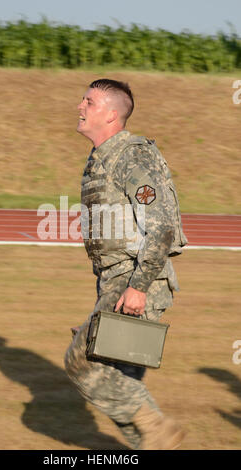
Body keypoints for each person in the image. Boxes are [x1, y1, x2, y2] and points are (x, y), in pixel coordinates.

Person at [64, 79, 188, 450]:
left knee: (82, 362)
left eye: (89, 101)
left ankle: (156, 427)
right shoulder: (103, 157)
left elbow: (162, 224)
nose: (79, 106)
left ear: (111, 114)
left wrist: (137, 287)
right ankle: (157, 443)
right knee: (120, 379)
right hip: (117, 281)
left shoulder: (130, 155)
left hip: (136, 280)